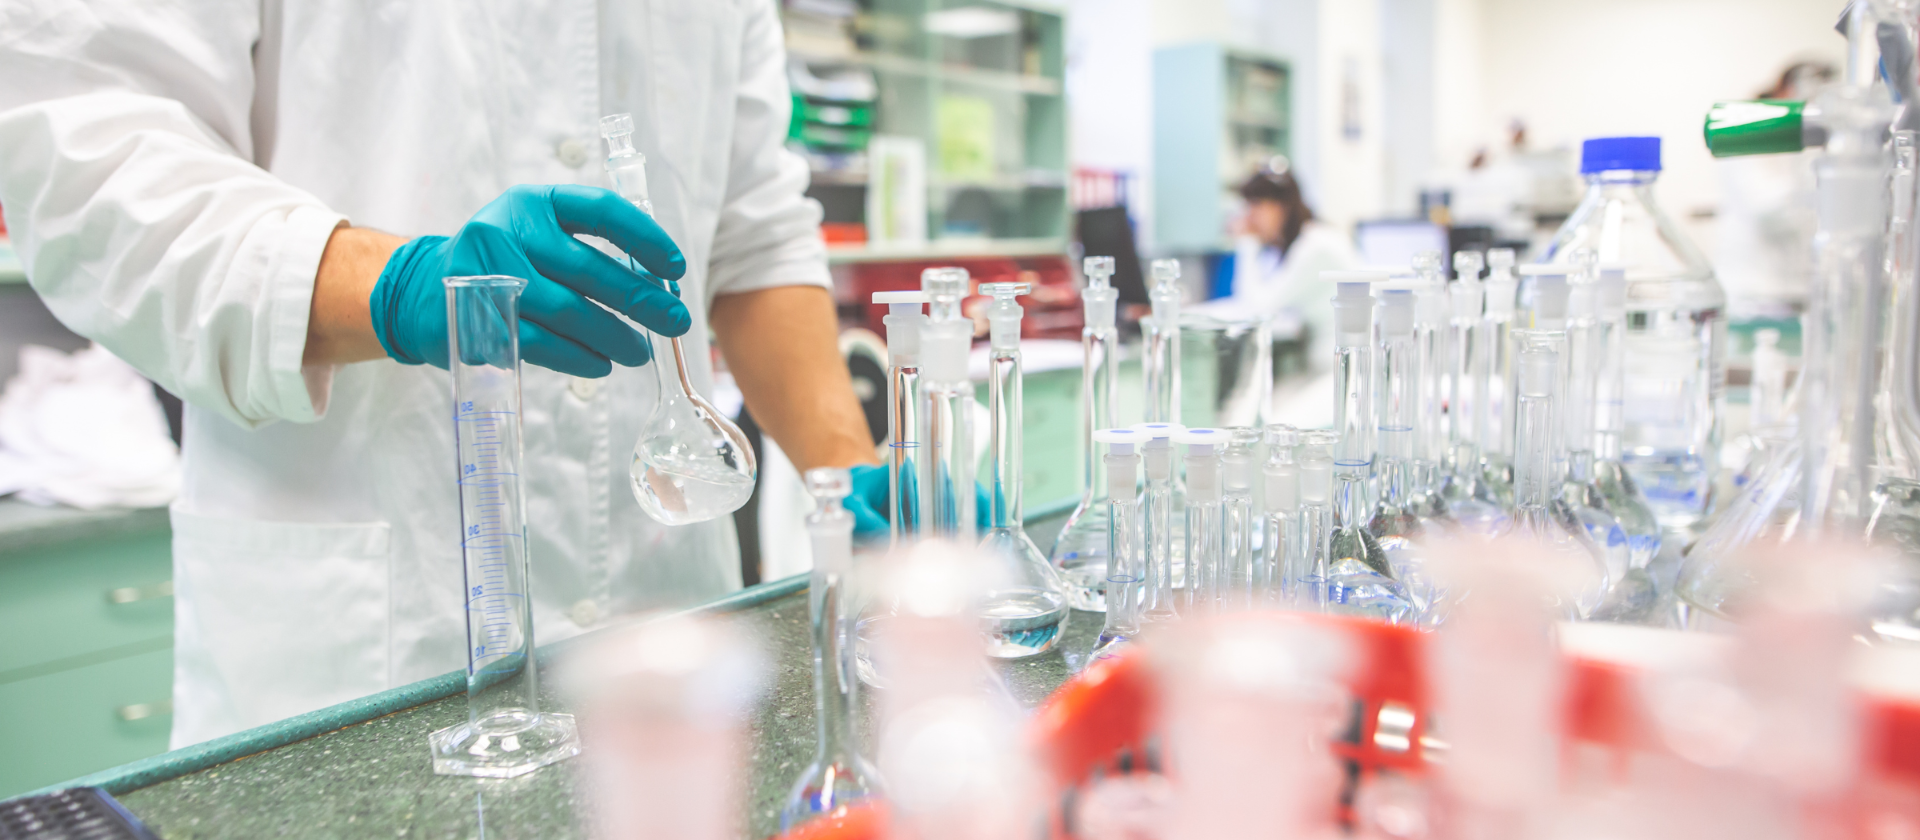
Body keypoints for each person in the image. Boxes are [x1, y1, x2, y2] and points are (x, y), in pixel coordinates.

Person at [0, 1, 899, 747]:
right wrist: (396, 287)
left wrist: (847, 474)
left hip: (666, 638)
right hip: (371, 653)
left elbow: (752, 235)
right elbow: (91, 158)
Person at [1220, 158, 1357, 369]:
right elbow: (1251, 300)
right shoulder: (1285, 247)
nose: (1250, 217)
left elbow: (1257, 309)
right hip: (1324, 358)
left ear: (1283, 207)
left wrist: (1247, 243)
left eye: (1257, 206)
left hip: (1340, 362)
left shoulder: (1317, 245)